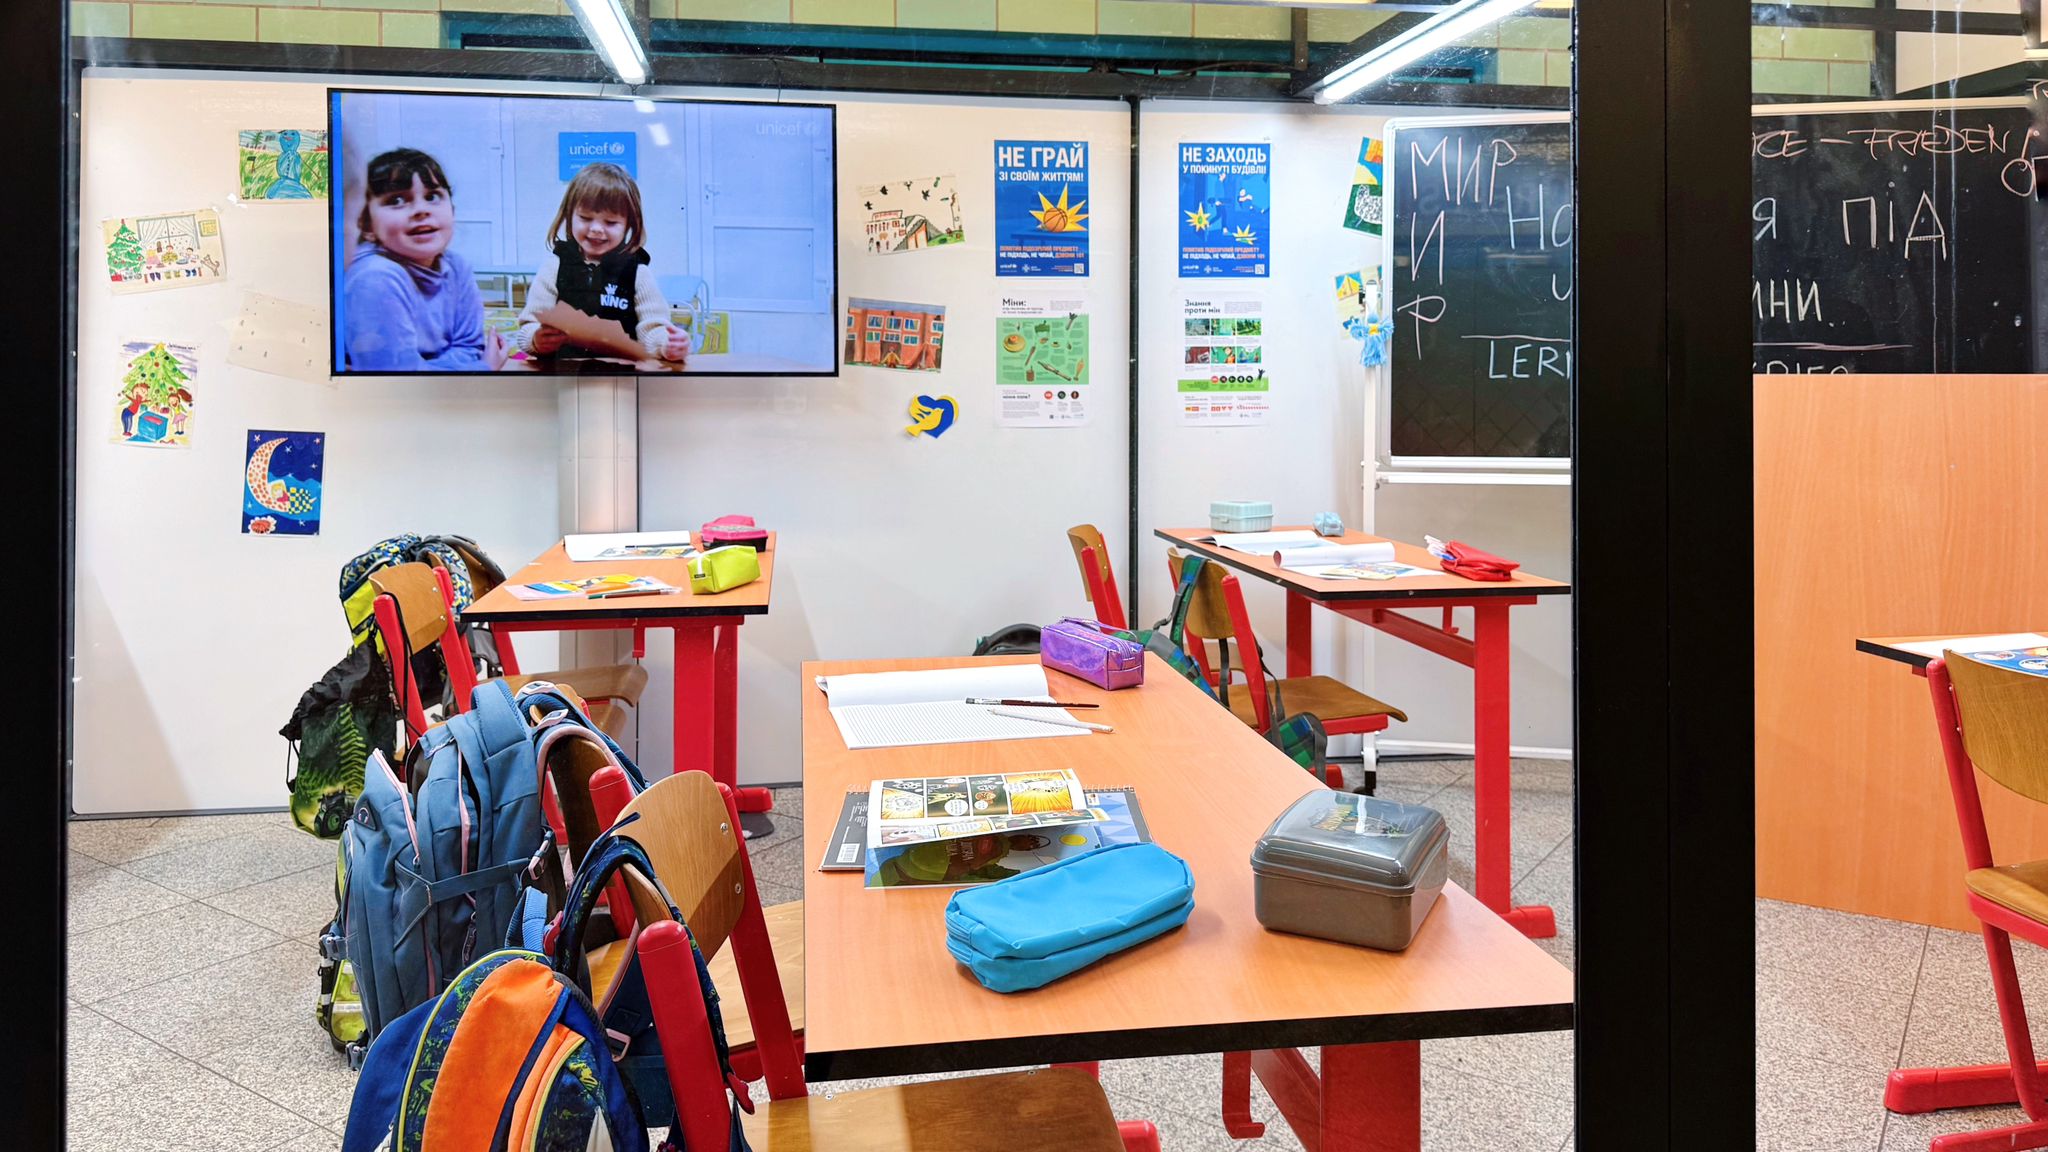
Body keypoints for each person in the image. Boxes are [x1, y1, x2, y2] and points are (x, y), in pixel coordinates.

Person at [341, 148, 505, 372]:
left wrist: (457, 368)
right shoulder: (375, 276)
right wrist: (482, 369)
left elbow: (469, 347)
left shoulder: (457, 267)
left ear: (452, 210)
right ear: (367, 225)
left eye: (432, 197)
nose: (421, 210)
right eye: (397, 200)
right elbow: (396, 379)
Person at [515, 162, 691, 364]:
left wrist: (667, 344)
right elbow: (529, 326)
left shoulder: (637, 272)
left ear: (629, 224)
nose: (597, 229)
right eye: (585, 218)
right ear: (569, 215)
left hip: (622, 375)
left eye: (611, 222)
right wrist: (536, 339)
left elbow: (653, 329)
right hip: (565, 373)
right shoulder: (554, 267)